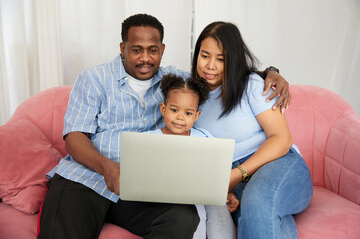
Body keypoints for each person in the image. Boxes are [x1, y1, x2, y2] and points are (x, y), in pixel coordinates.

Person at [38, 13, 291, 239]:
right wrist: (106, 166)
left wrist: (270, 72)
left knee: (183, 219)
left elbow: (224, 70)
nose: (145, 58)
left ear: (162, 49)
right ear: (122, 48)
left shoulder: (177, 81)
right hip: (88, 177)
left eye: (153, 50)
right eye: (136, 50)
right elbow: (73, 136)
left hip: (146, 187)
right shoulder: (93, 80)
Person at [191, 21, 313, 239]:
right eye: (205, 55)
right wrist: (225, 184)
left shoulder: (252, 85)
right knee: (264, 219)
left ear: (233, 61)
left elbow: (281, 139)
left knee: (258, 200)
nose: (210, 66)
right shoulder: (190, 97)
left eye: (221, 59)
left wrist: (238, 175)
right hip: (232, 182)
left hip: (276, 163)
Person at [146, 73, 238, 239]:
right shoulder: (149, 139)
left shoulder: (205, 138)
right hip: (169, 199)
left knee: (217, 207)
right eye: (174, 110)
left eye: (188, 113)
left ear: (196, 116)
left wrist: (228, 191)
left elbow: (218, 171)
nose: (180, 117)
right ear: (163, 109)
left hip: (204, 195)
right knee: (194, 217)